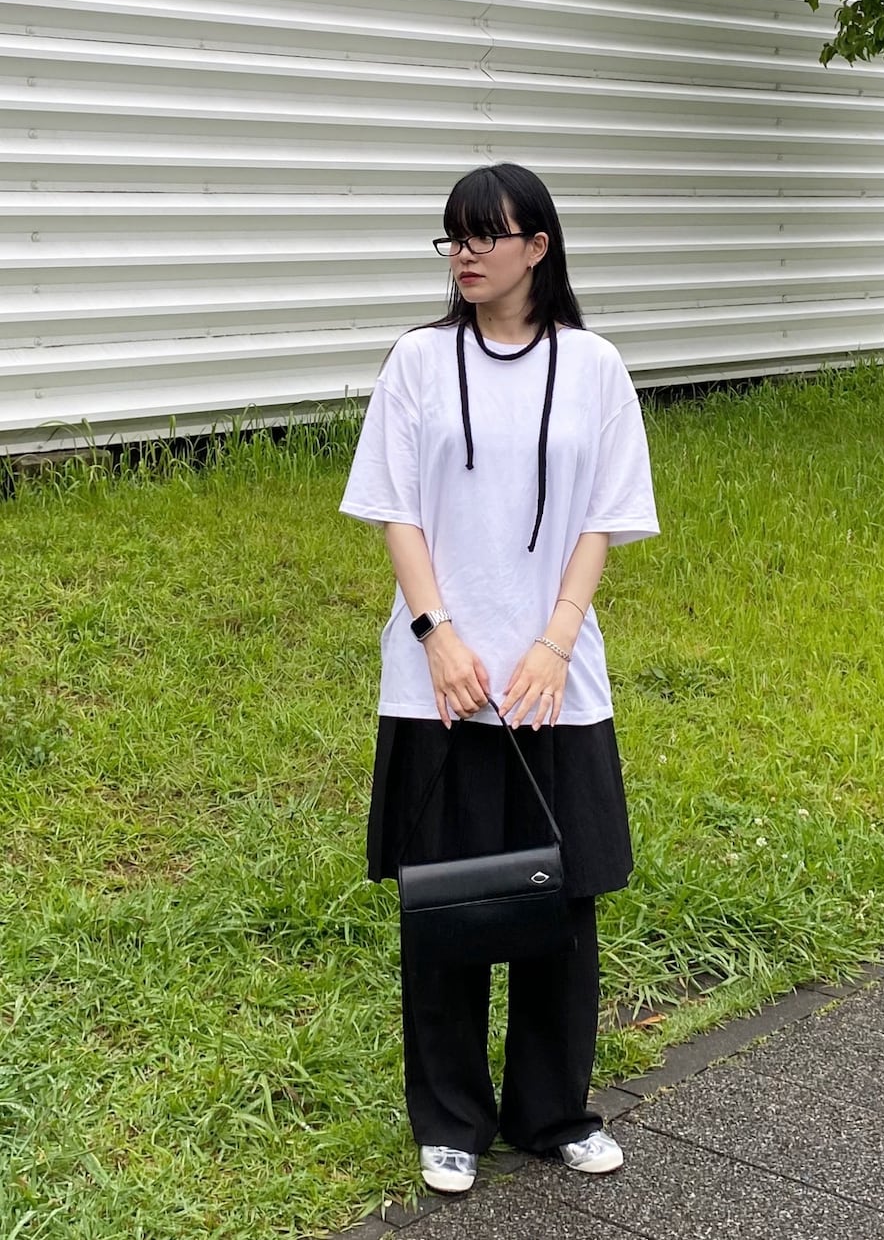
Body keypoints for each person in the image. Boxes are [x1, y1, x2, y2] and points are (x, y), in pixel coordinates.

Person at [339, 162, 659, 1194]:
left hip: (551, 680)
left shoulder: (594, 366)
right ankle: (449, 1120)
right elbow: (395, 506)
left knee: (561, 898)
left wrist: (555, 642)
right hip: (438, 679)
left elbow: (606, 514)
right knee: (448, 903)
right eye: (453, 237)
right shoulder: (419, 361)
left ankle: (553, 1111)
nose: (465, 254)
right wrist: (437, 632)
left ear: (538, 247)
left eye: (486, 235)